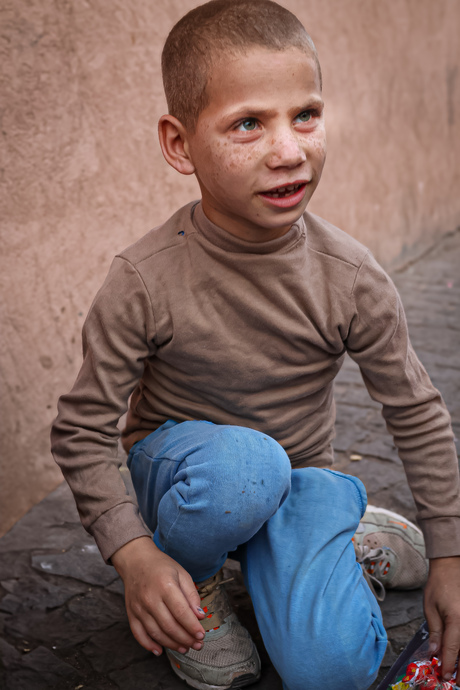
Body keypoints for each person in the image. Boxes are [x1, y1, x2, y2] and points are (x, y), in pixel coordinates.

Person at [51, 1, 460, 688]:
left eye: (305, 115)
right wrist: (134, 554)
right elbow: (82, 429)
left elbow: (415, 411)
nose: (290, 150)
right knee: (245, 469)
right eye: (249, 124)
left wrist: (451, 555)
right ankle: (196, 579)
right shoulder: (145, 278)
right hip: (190, 483)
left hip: (296, 480)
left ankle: (338, 533)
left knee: (330, 671)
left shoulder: (351, 276)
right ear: (180, 145)